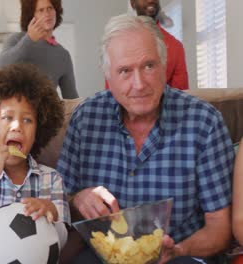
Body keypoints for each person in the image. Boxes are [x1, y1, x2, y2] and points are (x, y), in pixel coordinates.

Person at [57, 14, 234, 263]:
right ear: (109, 76)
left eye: (148, 66)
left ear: (164, 65)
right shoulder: (85, 119)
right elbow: (59, 201)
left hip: (178, 256)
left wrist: (180, 249)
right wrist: (78, 198)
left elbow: (220, 229)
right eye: (125, 71)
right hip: (104, 256)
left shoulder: (204, 122)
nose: (139, 84)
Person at [0, 63, 70, 262]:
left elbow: (60, 242)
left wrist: (52, 213)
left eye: (27, 120)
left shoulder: (51, 178)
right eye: (7, 117)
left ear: (38, 131)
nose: (17, 126)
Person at [0, 0, 79, 99]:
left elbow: (71, 98)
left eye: (50, 8)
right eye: (41, 10)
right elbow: (2, 65)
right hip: (17, 110)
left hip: (47, 113)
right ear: (31, 16)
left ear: (56, 11)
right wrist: (29, 39)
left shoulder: (63, 55)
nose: (47, 14)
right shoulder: (16, 39)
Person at [130, 0, 188, 90]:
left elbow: (181, 97)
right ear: (132, 3)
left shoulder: (176, 46)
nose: (151, 0)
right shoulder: (117, 44)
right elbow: (110, 95)